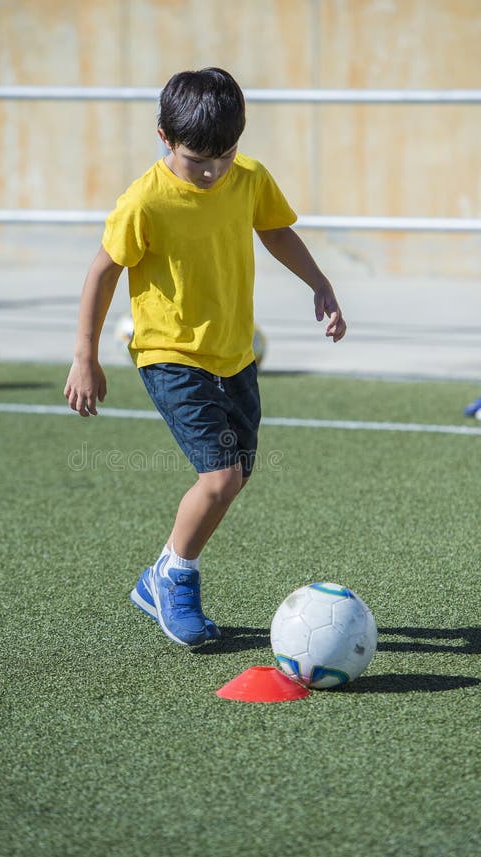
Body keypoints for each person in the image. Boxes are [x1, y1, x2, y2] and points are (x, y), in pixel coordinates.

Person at [64, 67, 346, 648]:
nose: (213, 170)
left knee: (237, 473)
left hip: (234, 353)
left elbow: (276, 231)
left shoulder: (247, 178)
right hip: (170, 356)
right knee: (218, 478)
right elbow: (102, 272)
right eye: (199, 160)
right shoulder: (145, 200)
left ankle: (158, 575)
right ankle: (175, 576)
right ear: (165, 137)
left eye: (225, 154)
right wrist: (84, 357)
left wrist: (319, 282)